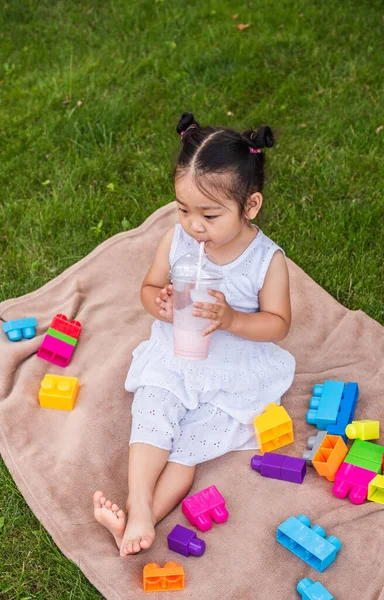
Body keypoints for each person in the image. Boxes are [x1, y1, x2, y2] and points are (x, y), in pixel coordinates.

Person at [93, 112, 296, 556]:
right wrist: (160, 305)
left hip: (234, 369)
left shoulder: (265, 261)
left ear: (251, 207)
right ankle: (140, 508)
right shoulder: (177, 241)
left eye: (209, 214)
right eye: (183, 209)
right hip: (177, 352)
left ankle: (139, 515)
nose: (194, 225)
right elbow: (149, 288)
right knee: (152, 414)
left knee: (187, 449)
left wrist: (232, 320)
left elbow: (279, 323)